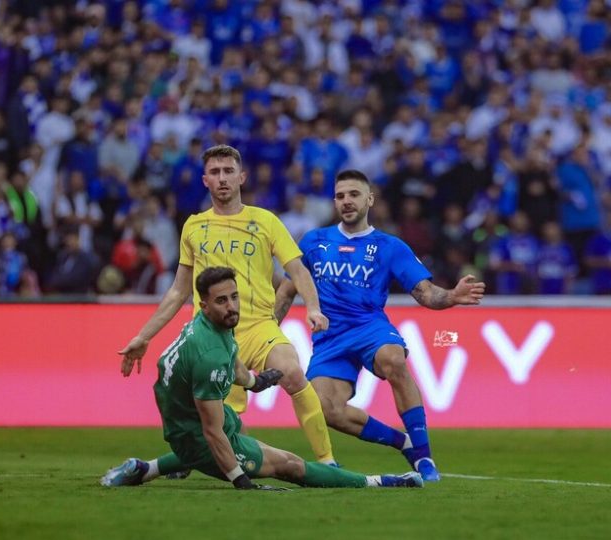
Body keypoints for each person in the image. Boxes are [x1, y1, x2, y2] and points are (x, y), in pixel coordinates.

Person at [101, 267, 422, 490]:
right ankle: (379, 481)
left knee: (233, 428)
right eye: (222, 301)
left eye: (234, 297)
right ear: (204, 305)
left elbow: (233, 357)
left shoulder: (211, 324)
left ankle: (144, 469)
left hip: (187, 423)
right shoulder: (208, 355)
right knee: (291, 465)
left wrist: (254, 382)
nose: (232, 307)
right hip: (196, 432)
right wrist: (240, 479)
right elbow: (213, 433)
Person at [118, 144, 337, 466]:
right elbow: (179, 291)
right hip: (213, 338)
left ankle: (328, 461)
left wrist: (314, 308)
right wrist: (144, 336)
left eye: (228, 171)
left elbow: (297, 270)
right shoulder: (194, 226)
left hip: (259, 326)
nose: (222, 178)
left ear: (241, 177)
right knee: (229, 430)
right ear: (205, 180)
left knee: (291, 372)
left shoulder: (265, 221)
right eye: (215, 172)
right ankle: (183, 463)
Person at [275, 169, 486, 482]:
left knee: (393, 358)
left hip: (369, 327)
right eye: (341, 195)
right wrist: (267, 333)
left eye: (354, 194)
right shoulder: (314, 242)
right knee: (325, 408)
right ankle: (405, 443)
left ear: (370, 199)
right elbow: (287, 292)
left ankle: (425, 456)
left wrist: (452, 295)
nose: (347, 201)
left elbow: (425, 293)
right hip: (329, 339)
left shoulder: (390, 246)